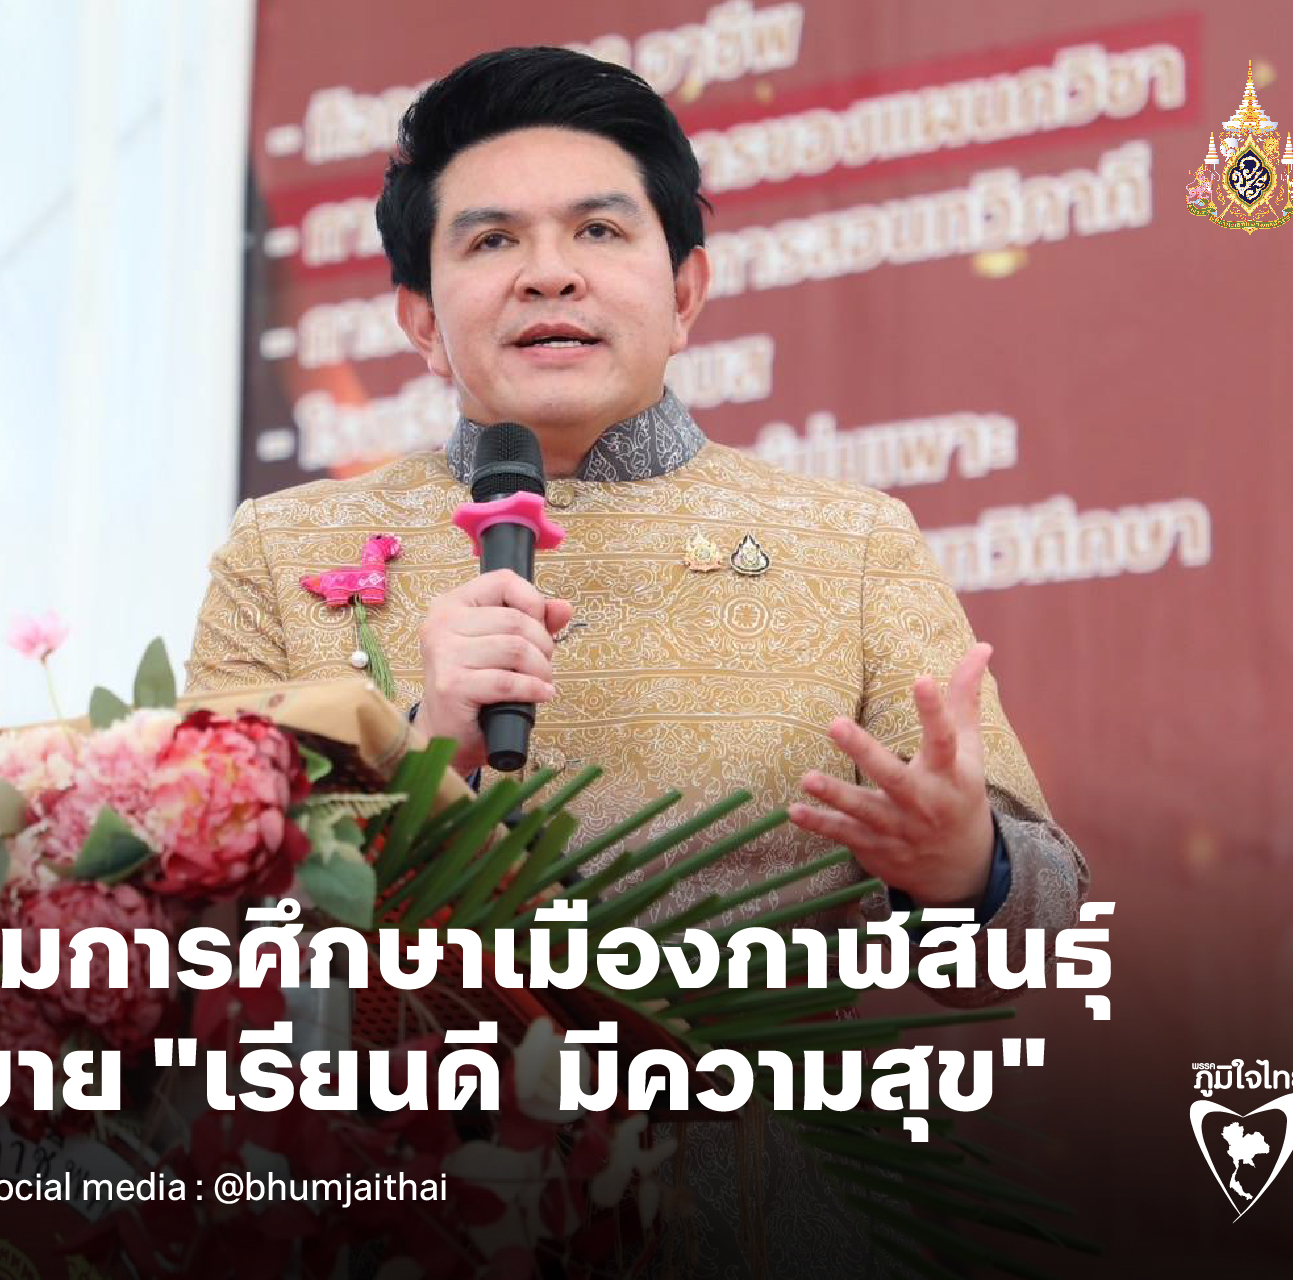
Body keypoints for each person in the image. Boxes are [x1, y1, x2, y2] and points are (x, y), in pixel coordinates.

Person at [186, 45, 1089, 1278]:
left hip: (767, 1218)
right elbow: (201, 932)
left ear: (686, 291)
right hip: (400, 1211)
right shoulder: (282, 549)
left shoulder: (853, 542)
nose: (548, 271)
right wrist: (422, 750)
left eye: (600, 230)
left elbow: (1048, 922)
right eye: (490, 240)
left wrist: (963, 867)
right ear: (421, 320)